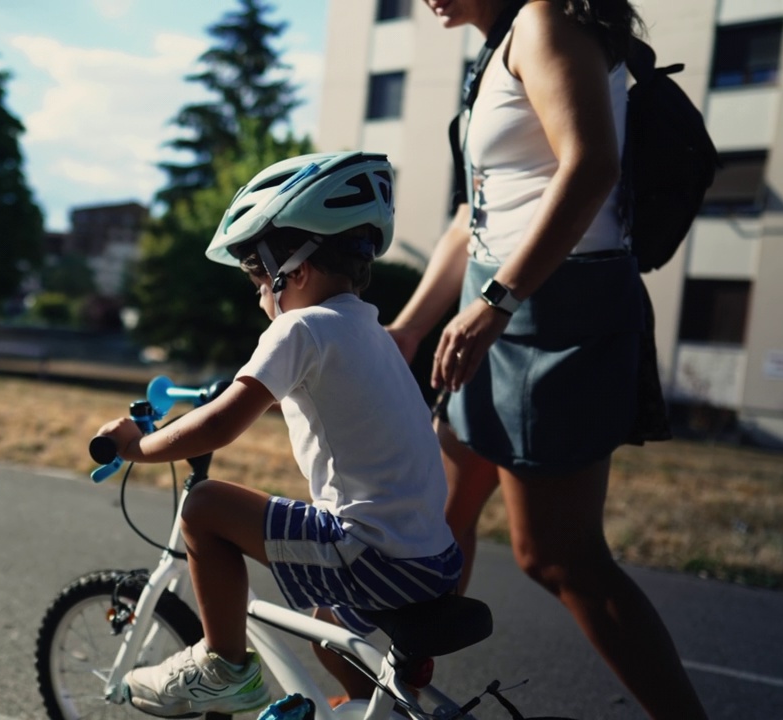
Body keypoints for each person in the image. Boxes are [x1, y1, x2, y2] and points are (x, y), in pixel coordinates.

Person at [381, 1, 708, 718]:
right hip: (496, 309)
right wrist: (409, 330)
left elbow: (592, 165)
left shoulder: (544, 25)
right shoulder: (499, 47)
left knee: (560, 558)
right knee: (435, 524)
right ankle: (395, 698)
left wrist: (497, 302)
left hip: (558, 318)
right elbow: (478, 213)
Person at [95, 150, 463, 718]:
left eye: (256, 277)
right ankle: (378, 709)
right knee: (328, 627)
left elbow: (222, 421)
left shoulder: (300, 327)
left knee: (204, 506)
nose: (259, 295)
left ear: (297, 269)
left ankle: (224, 668)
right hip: (432, 558)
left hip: (371, 555)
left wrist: (136, 447)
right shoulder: (372, 332)